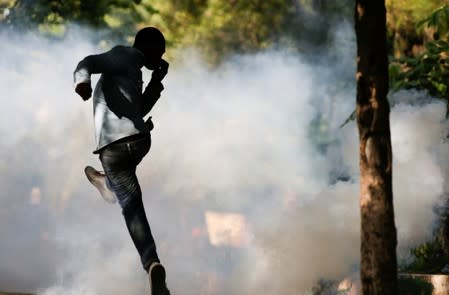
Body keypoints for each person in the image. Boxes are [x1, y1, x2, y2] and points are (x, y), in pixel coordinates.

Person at [73, 27, 170, 295]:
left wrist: (156, 82)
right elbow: (88, 63)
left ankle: (108, 183)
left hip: (116, 148)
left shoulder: (133, 68)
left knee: (130, 207)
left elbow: (138, 109)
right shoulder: (124, 55)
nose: (161, 57)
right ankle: (152, 264)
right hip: (136, 144)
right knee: (132, 205)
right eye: (160, 51)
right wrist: (82, 81)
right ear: (148, 46)